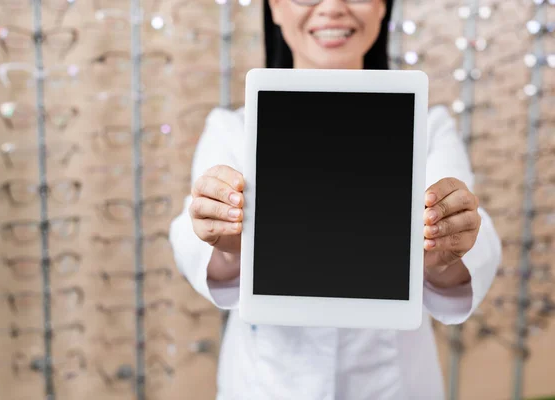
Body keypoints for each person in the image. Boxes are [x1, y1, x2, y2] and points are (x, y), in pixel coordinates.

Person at [169, 0, 503, 399]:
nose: (331, 8)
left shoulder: (430, 128)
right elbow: (196, 245)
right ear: (273, 8)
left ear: (384, 8)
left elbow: (468, 246)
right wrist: (225, 248)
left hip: (391, 384)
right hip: (268, 382)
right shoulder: (229, 129)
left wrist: (444, 254)